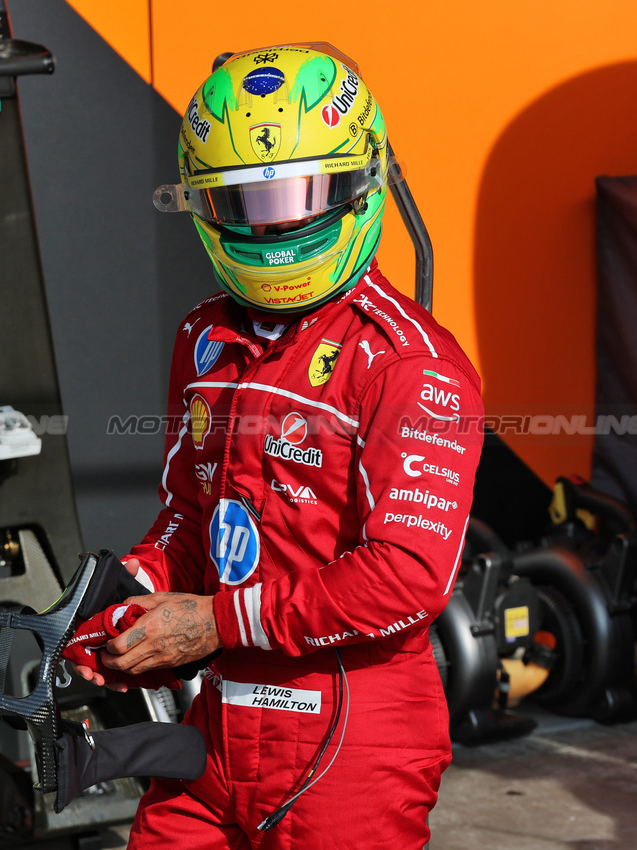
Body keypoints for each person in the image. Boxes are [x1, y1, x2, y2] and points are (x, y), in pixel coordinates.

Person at [69, 43, 485, 849]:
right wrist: (129, 602)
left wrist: (216, 624)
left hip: (353, 729)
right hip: (219, 723)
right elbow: (193, 518)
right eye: (245, 203)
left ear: (361, 183)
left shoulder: (409, 363)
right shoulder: (205, 336)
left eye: (299, 195)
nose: (276, 224)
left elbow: (405, 579)